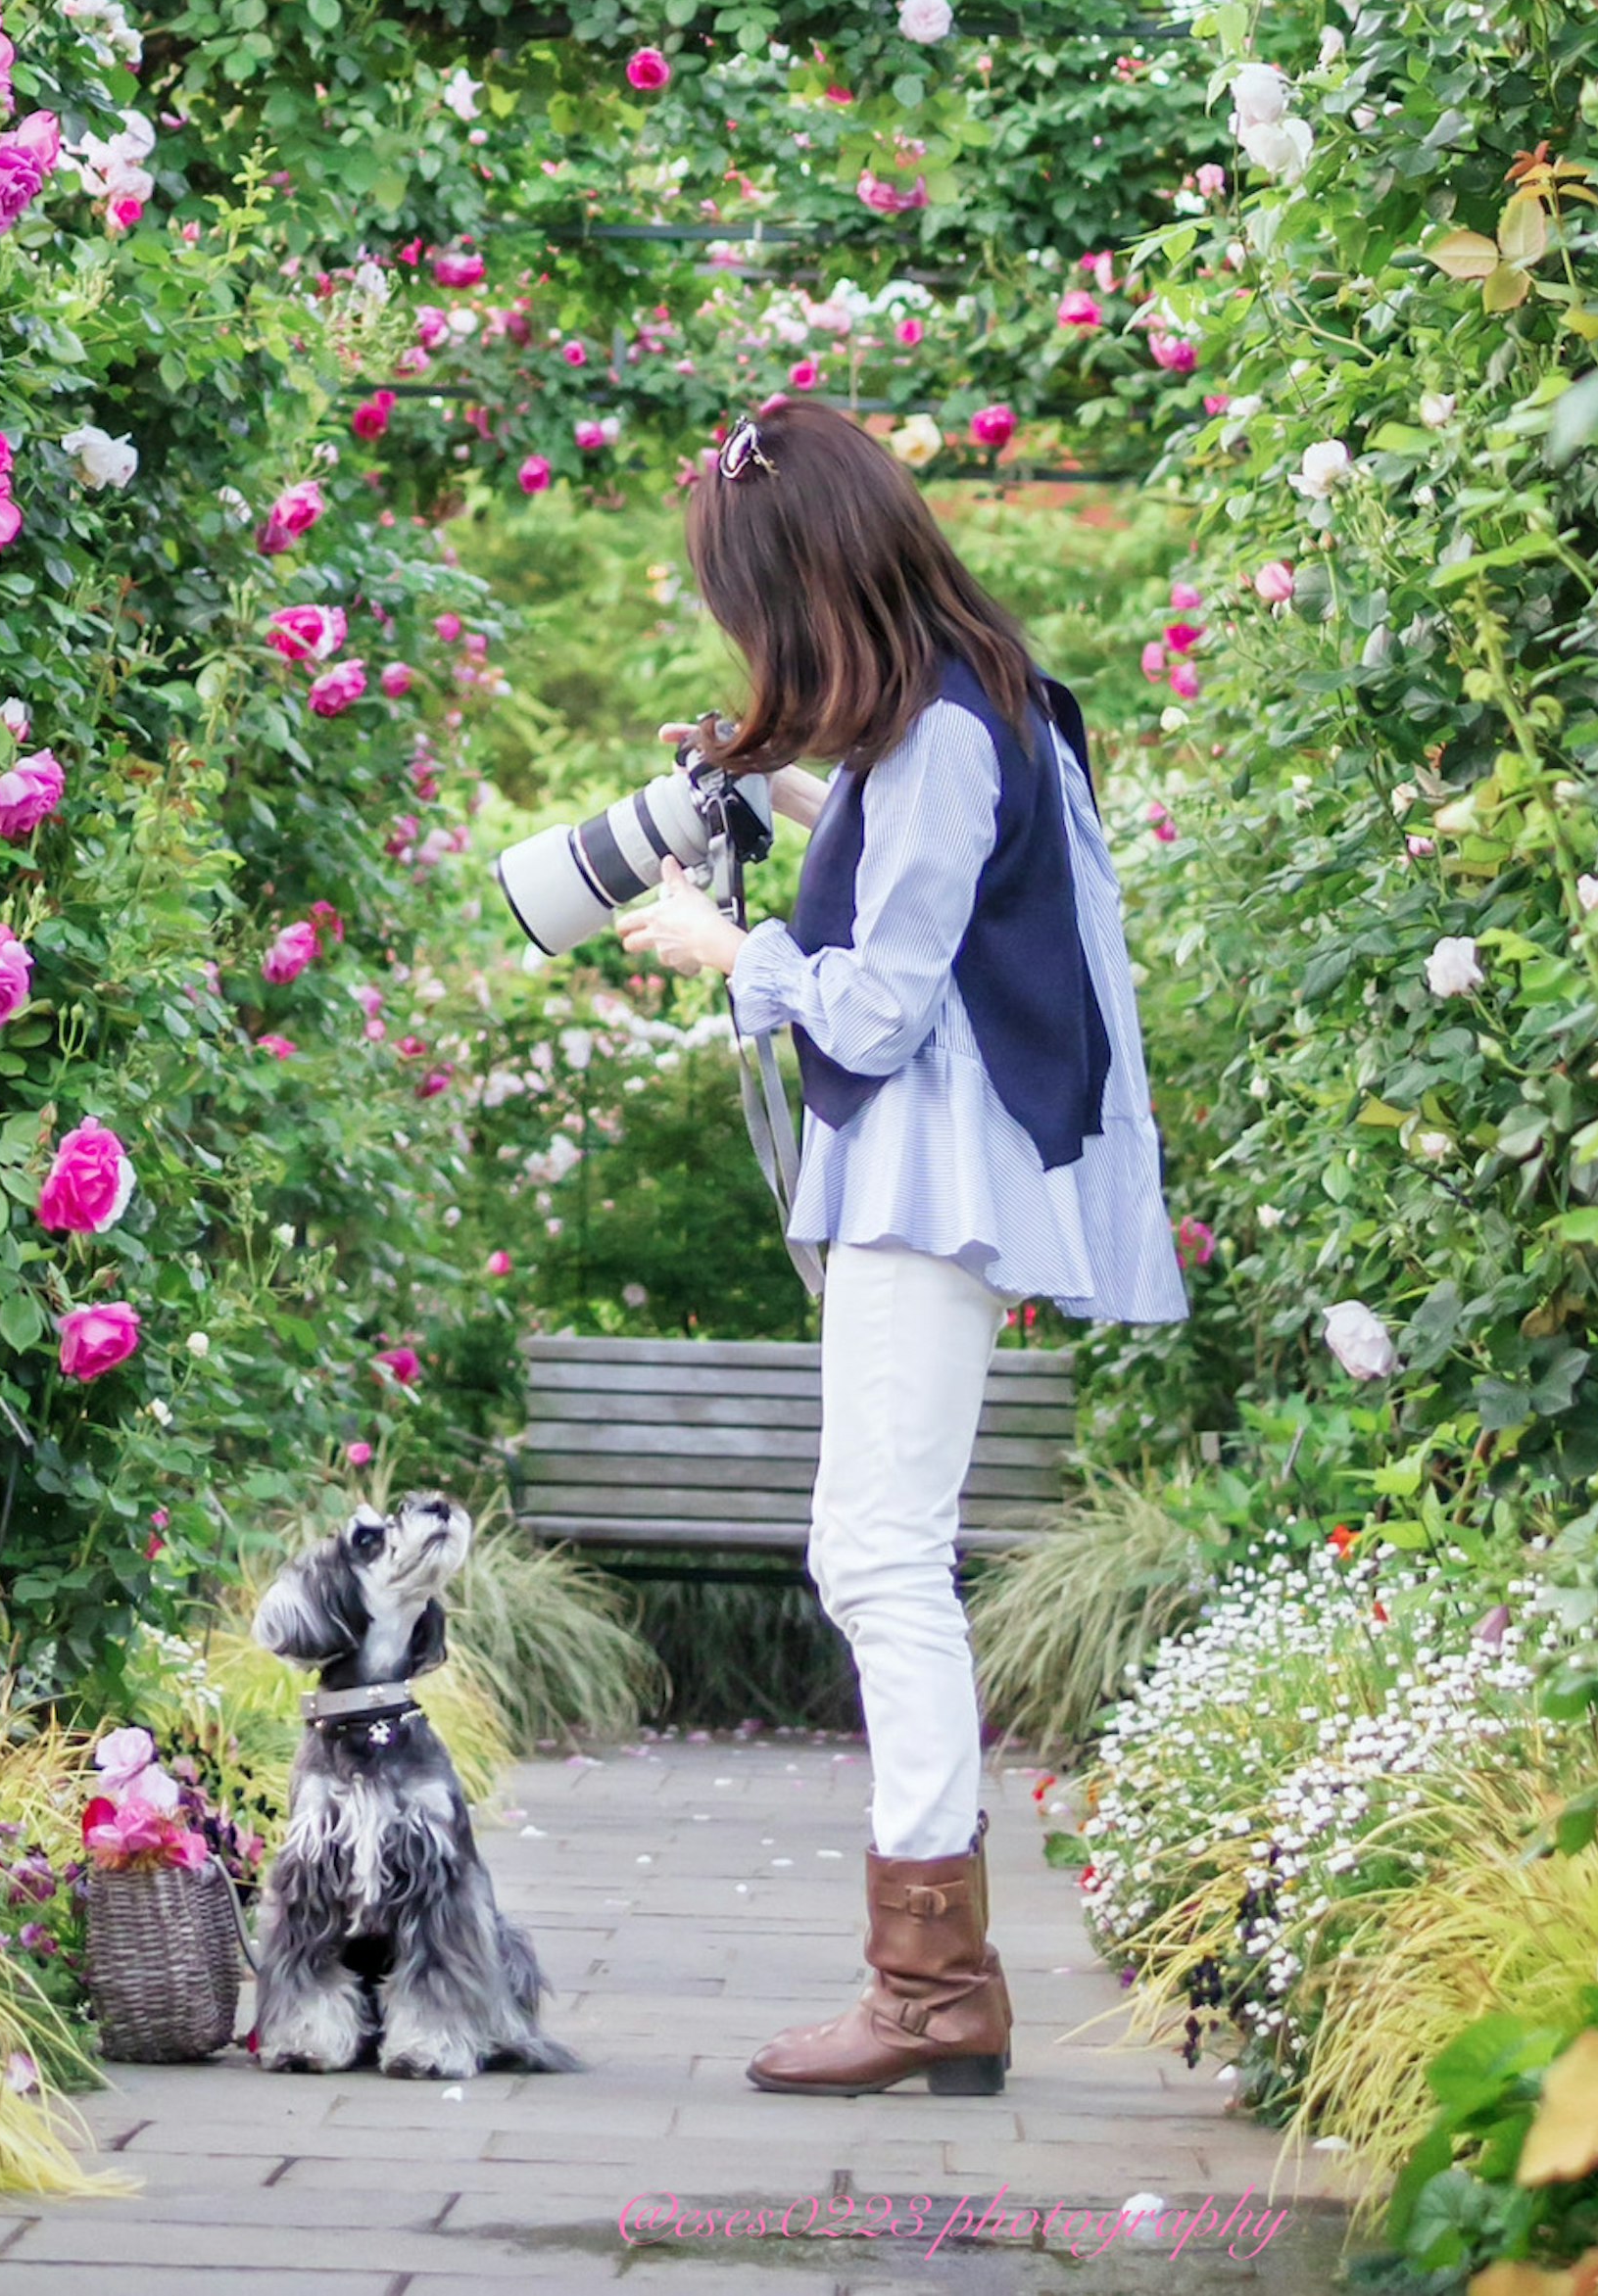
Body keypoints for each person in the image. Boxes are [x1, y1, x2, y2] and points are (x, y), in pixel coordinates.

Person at [629, 392, 1182, 2099]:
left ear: (805, 581)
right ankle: (936, 1984)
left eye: (748, 598)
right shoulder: (948, 710)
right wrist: (774, 785)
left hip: (930, 1180)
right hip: (932, 1178)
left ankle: (933, 1987)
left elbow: (876, 1000)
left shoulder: (941, 732)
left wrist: (727, 950)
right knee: (880, 1550)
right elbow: (924, 883)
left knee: (878, 1558)